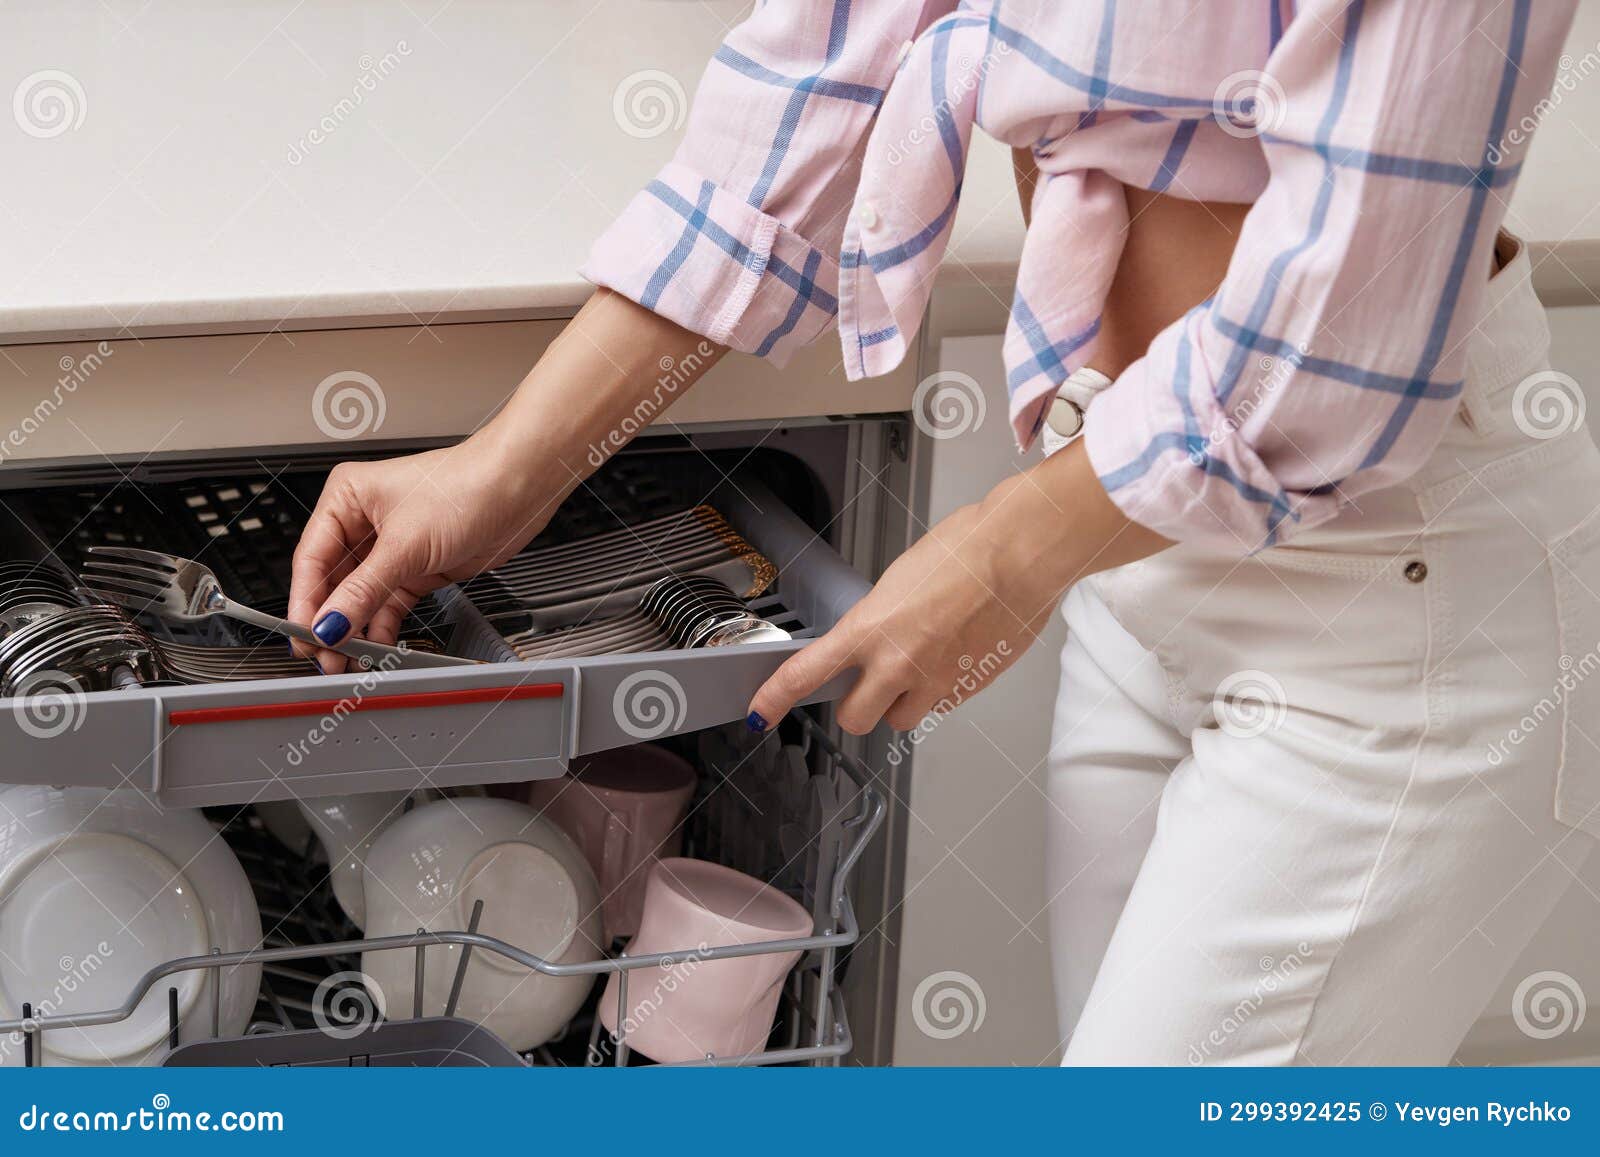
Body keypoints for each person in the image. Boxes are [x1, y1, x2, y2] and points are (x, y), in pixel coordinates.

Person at [290, 2, 1595, 1063]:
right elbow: (813, 87)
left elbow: (1347, 337)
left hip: (1385, 602)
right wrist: (506, 472)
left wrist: (1000, 551)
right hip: (1126, 538)